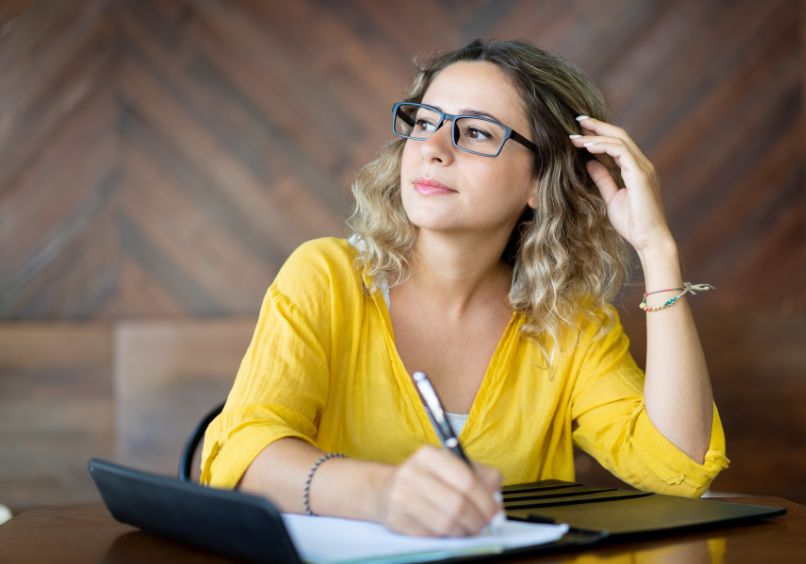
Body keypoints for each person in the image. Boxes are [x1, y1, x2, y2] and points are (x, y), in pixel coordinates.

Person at [200, 38, 729, 537]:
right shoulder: (325, 277)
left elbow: (679, 467)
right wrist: (383, 495)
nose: (431, 148)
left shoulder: (570, 325)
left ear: (539, 183)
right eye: (424, 121)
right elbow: (239, 456)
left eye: (475, 132)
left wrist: (657, 250)